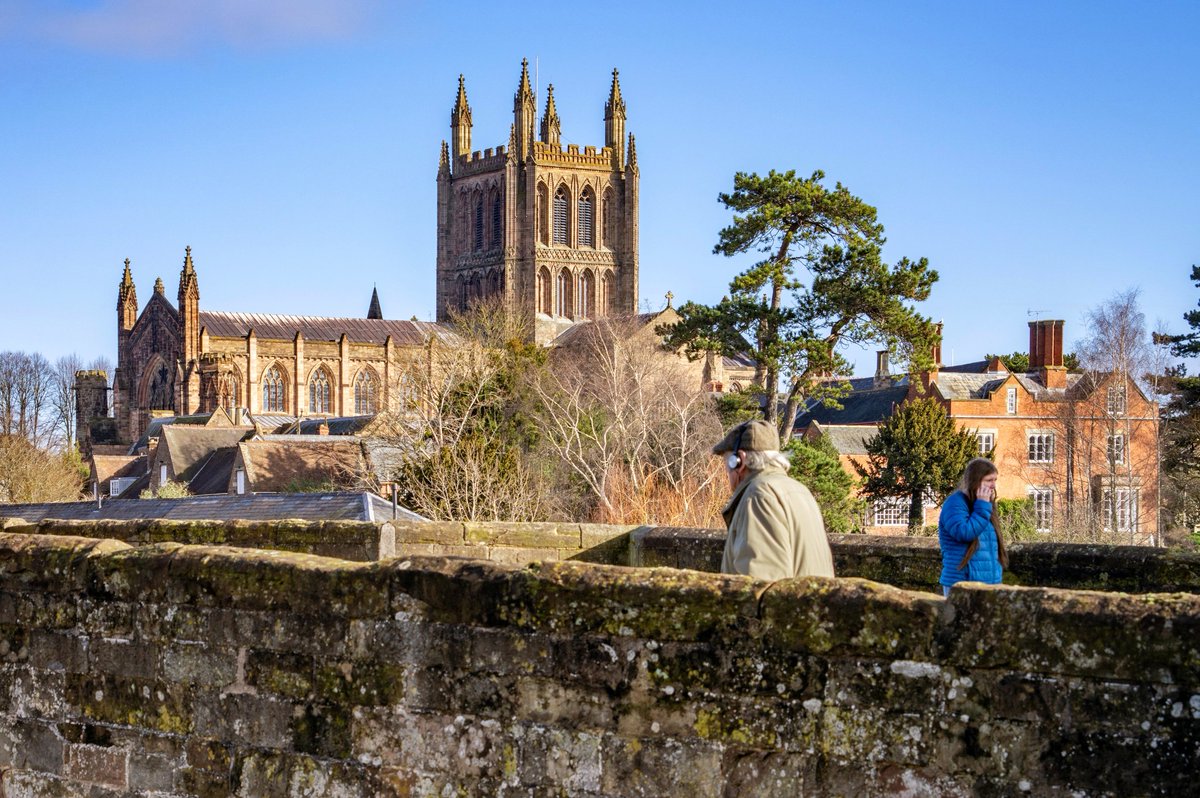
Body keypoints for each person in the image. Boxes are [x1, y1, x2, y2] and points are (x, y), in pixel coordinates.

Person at [712, 419, 835, 580]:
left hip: (787, 604)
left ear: (739, 461)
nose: (726, 474)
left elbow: (759, 584)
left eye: (726, 465)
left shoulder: (759, 496)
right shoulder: (801, 490)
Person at [938, 457, 1008, 596]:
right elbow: (964, 533)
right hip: (962, 583)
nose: (993, 485)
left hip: (989, 582)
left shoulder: (985, 504)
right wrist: (982, 506)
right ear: (975, 481)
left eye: (995, 480)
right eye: (989, 480)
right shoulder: (955, 503)